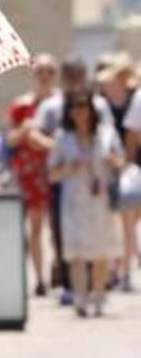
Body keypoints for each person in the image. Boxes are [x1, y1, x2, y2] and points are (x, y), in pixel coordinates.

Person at [35, 57, 112, 306]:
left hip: (97, 188)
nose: (73, 77)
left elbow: (110, 139)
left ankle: (98, 289)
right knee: (65, 237)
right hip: (68, 184)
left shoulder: (99, 104)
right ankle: (73, 288)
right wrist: (65, 154)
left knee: (100, 243)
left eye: (77, 72)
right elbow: (35, 134)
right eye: (69, 73)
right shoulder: (52, 106)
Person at [47, 90, 124, 317]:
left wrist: (113, 161)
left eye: (84, 108)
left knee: (100, 252)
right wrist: (69, 167)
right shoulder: (63, 138)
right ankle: (80, 299)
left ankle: (99, 297)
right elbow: (52, 173)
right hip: (74, 201)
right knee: (76, 252)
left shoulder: (106, 133)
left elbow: (120, 161)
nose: (80, 113)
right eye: (75, 108)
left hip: (99, 200)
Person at [5, 55, 57, 296]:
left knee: (57, 225)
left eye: (49, 71)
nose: (45, 76)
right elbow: (10, 141)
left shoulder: (62, 104)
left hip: (56, 170)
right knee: (34, 226)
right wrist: (25, 129)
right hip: (29, 172)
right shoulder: (21, 105)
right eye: (40, 72)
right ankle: (39, 277)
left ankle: (58, 270)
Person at [96, 52, 140, 291]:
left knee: (130, 221)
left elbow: (133, 135)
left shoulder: (134, 97)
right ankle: (120, 270)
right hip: (110, 165)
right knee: (120, 222)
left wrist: (127, 163)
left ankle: (125, 269)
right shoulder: (102, 100)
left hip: (131, 167)